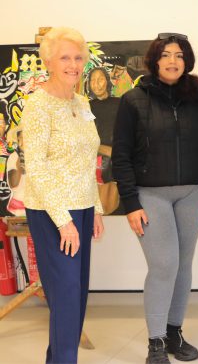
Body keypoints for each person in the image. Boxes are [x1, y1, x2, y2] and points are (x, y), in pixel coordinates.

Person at [112, 33, 198, 364]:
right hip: (150, 195)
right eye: (166, 55)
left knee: (183, 264)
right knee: (164, 265)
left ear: (186, 61)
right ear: (154, 60)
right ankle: (156, 341)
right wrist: (130, 203)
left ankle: (174, 333)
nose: (173, 60)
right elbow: (121, 156)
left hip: (193, 192)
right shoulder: (133, 100)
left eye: (179, 55)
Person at [21, 26, 105, 364]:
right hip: (51, 212)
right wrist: (63, 221)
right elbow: (37, 169)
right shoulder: (37, 107)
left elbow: (88, 160)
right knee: (67, 295)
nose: (73, 64)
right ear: (49, 62)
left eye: (78, 57)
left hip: (82, 208)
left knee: (77, 295)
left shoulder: (81, 102)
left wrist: (96, 207)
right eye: (65, 57)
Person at [85, 67, 121, 214]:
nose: (96, 84)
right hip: (97, 158)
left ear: (107, 81)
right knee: (101, 207)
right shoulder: (86, 107)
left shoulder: (120, 103)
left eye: (100, 79)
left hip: (118, 159)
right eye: (93, 80)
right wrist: (105, 150)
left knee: (113, 202)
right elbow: (85, 137)